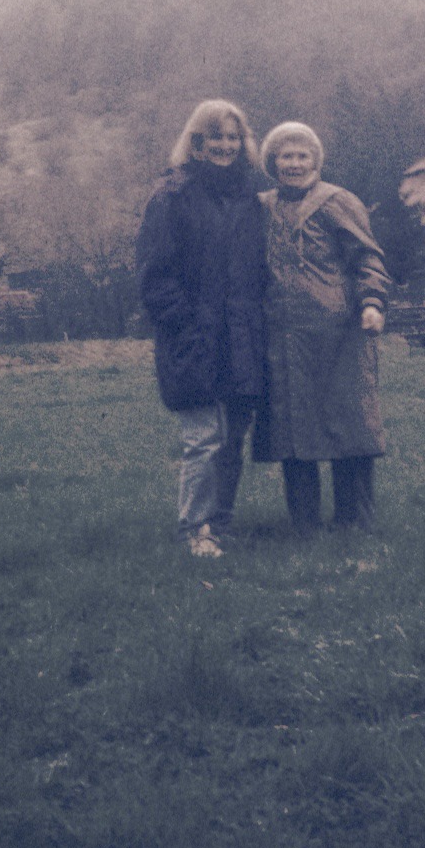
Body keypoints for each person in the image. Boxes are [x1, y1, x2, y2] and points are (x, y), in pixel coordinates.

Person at [135, 100, 265, 557]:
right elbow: (155, 276)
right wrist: (186, 328)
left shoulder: (252, 197)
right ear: (196, 143)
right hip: (193, 339)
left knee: (233, 438)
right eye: (215, 138)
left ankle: (221, 524)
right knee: (204, 439)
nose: (225, 146)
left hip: (242, 338)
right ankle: (194, 530)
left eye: (233, 137)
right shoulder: (170, 196)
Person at [253, 122, 391, 535]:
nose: (294, 164)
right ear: (272, 162)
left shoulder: (338, 201)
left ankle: (354, 521)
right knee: (295, 432)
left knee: (349, 425)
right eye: (285, 156)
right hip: (283, 337)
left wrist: (372, 302)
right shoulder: (260, 208)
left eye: (302, 156)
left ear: (316, 160)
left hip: (340, 334)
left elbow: (368, 259)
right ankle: (304, 524)